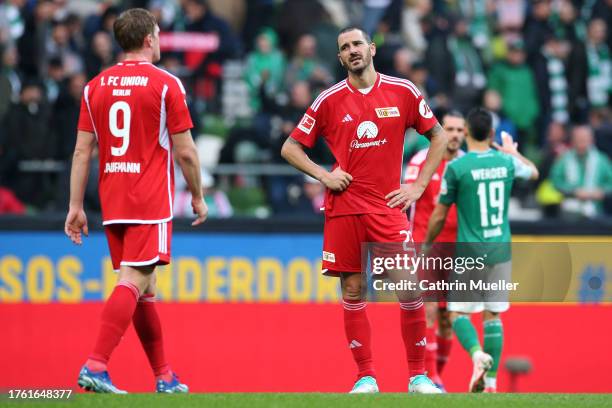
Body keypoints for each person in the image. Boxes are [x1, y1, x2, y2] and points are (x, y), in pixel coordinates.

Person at [281, 27, 448, 394]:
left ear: (371, 48)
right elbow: (290, 148)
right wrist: (323, 175)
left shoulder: (402, 91)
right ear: (340, 58)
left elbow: (439, 136)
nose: (352, 50)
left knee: (408, 286)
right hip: (344, 210)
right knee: (354, 290)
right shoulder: (328, 99)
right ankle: (366, 376)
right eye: (345, 47)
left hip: (387, 208)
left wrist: (417, 186)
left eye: (357, 44)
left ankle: (419, 377)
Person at [64, 8, 208, 394]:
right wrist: (196, 194)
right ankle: (96, 365)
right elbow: (187, 152)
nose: (160, 41)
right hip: (150, 201)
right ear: (149, 39)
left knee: (146, 287)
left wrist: (76, 207)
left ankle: (164, 376)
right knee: (134, 279)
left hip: (113, 201)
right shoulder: (166, 84)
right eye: (158, 35)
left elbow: (82, 152)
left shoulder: (94, 86)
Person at [425, 108, 539, 393]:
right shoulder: (505, 163)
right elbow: (534, 172)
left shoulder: (458, 168)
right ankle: (491, 384)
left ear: (465, 131)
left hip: (469, 251)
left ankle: (477, 355)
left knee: (457, 314)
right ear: (490, 134)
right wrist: (512, 152)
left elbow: (439, 216)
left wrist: (427, 243)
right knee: (493, 315)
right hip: (500, 251)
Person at [404, 110, 466, 391]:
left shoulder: (467, 165)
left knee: (448, 318)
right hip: (425, 247)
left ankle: (437, 375)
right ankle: (429, 377)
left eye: (459, 130)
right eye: (449, 129)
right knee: (428, 309)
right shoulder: (420, 161)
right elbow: (407, 202)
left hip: (458, 250)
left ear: (465, 134)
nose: (454, 135)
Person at [550, 125, 612, 218]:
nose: (581, 143)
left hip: (596, 211)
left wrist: (601, 192)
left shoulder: (602, 160)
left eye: (584, 139)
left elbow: (610, 183)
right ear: (573, 141)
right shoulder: (564, 159)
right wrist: (573, 191)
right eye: (578, 139)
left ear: (591, 140)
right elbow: (555, 181)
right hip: (569, 211)